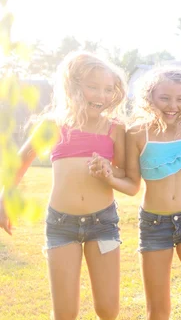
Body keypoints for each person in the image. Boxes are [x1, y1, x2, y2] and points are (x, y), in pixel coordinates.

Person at [0, 51, 130, 320]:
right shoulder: (52, 125)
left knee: (108, 309)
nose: (101, 95)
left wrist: (108, 170)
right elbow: (19, 164)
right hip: (61, 224)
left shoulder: (115, 128)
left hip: (102, 223)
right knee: (64, 313)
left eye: (108, 89)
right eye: (92, 87)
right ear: (74, 87)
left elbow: (125, 173)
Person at [97, 66, 181, 319]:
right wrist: (108, 174)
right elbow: (131, 179)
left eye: (180, 99)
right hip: (154, 224)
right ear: (150, 97)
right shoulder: (136, 133)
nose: (172, 105)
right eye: (164, 98)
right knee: (157, 307)